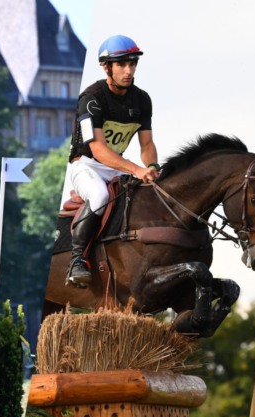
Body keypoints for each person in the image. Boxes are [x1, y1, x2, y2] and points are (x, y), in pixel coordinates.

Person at [64, 35, 160, 287]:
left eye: (132, 64)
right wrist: (137, 169)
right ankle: (77, 261)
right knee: (99, 196)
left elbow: (147, 145)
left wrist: (151, 168)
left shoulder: (142, 100)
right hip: (86, 165)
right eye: (122, 65)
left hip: (118, 166)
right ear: (107, 67)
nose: (129, 71)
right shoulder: (91, 98)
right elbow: (97, 150)